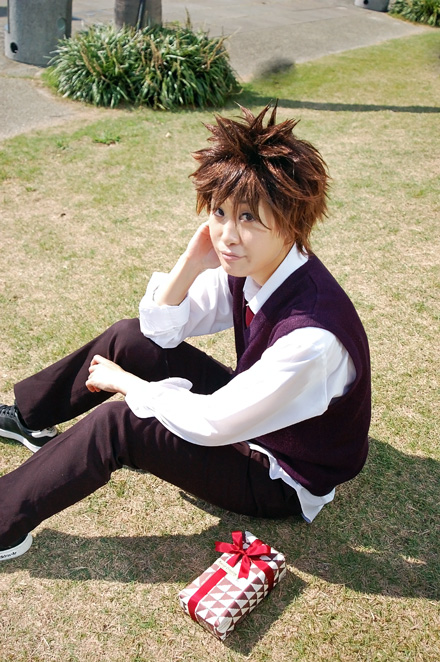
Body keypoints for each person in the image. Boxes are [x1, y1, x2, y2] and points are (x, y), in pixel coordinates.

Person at [0, 104, 371, 562]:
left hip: (283, 474)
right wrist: (192, 262)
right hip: (256, 418)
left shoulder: (311, 340)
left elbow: (212, 424)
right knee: (130, 338)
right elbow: (158, 329)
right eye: (219, 212)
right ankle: (30, 418)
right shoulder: (259, 266)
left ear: (293, 221)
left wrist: (129, 385)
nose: (227, 235)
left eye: (248, 218)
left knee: (121, 423)